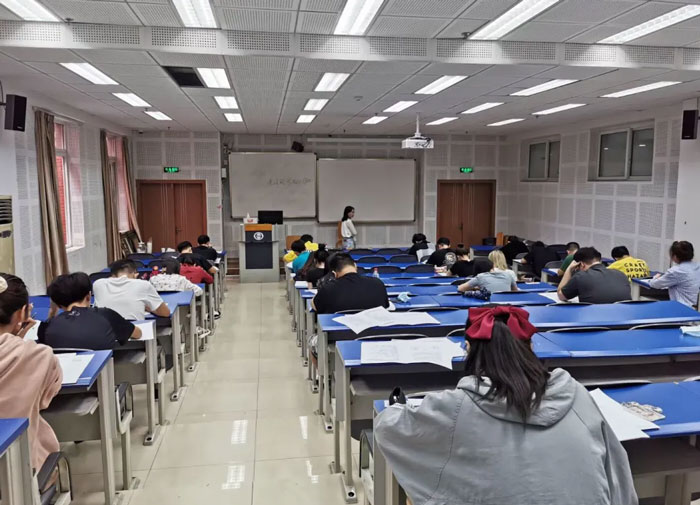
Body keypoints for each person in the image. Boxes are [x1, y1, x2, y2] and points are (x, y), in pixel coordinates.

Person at [374, 306, 637, 505]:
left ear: (468, 348)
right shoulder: (576, 393)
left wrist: (397, 408)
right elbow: (618, 476)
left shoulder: (458, 406)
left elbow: (388, 428)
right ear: (530, 346)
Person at [0, 273, 63, 476]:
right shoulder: (39, 355)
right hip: (20, 468)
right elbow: (46, 398)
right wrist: (18, 340)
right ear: (22, 314)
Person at [39, 272, 141, 350]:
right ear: (88, 296)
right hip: (103, 371)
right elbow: (137, 333)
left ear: (58, 304)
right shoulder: (106, 315)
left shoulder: (47, 327)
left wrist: (52, 313)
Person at [312, 252, 389, 314]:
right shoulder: (378, 283)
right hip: (374, 328)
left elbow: (315, 306)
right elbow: (386, 306)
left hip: (340, 329)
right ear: (355, 266)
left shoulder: (328, 289)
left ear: (334, 274)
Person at [93, 259, 170, 320]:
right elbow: (165, 313)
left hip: (104, 333)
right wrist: (148, 308)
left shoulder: (98, 284)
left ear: (112, 274)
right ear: (134, 274)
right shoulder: (143, 285)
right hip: (135, 332)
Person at [558, 247, 631, 304]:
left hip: (595, 317)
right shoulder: (621, 274)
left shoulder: (580, 276)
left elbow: (561, 296)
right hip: (625, 317)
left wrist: (568, 269)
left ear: (582, 264)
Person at [650, 241, 700, 307]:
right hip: (694, 307)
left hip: (680, 307)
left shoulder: (676, 271)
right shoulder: (698, 266)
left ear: (675, 256)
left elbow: (655, 284)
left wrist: (655, 278)